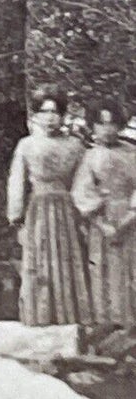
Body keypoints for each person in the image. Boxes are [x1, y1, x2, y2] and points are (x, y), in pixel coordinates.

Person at [7, 91, 94, 325]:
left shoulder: (75, 146)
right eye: (44, 111)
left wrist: (85, 212)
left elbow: (84, 181)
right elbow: (17, 181)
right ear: (35, 115)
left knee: (69, 260)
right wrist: (16, 218)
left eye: (55, 111)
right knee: (41, 261)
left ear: (63, 115)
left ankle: (72, 318)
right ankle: (41, 318)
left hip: (68, 209)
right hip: (39, 209)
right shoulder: (27, 145)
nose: (50, 117)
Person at [73, 104, 136, 324]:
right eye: (101, 123)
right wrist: (103, 225)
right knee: (105, 272)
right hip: (102, 222)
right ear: (93, 127)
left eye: (112, 123)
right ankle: (109, 325)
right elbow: (82, 192)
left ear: (120, 125)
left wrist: (130, 216)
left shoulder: (132, 152)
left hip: (131, 218)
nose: (107, 129)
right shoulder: (90, 156)